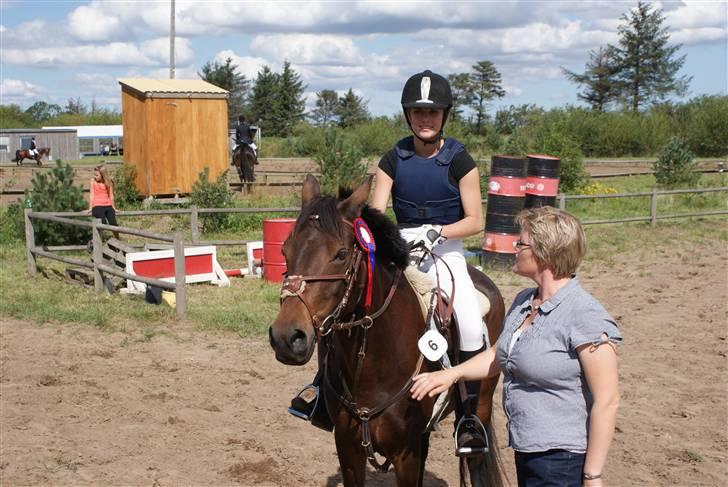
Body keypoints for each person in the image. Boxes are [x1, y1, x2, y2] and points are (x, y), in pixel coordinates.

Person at [289, 70, 489, 456]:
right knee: (346, 305)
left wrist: (440, 232)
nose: (425, 119)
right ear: (407, 115)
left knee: (467, 318)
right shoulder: (392, 159)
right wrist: (386, 240)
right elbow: (376, 212)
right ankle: (321, 389)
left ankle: (469, 416)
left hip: (445, 249)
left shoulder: (460, 160)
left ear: (444, 115)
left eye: (432, 113)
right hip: (401, 245)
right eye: (417, 112)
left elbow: (476, 220)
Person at [411, 206, 621, 486]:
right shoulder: (525, 301)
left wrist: (593, 475)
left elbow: (607, 401)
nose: (514, 247)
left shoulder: (584, 315)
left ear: (544, 252)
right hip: (527, 449)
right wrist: (450, 374)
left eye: (521, 243)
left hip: (562, 459)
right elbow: (500, 354)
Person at [86, 164, 119, 239]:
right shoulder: (93, 181)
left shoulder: (108, 182)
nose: (95, 177)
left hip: (108, 205)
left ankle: (117, 240)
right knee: (103, 223)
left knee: (113, 223)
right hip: (97, 205)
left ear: (103, 175)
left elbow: (111, 195)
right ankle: (100, 241)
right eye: (94, 175)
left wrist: (114, 207)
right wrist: (90, 208)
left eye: (97, 175)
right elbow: (92, 195)